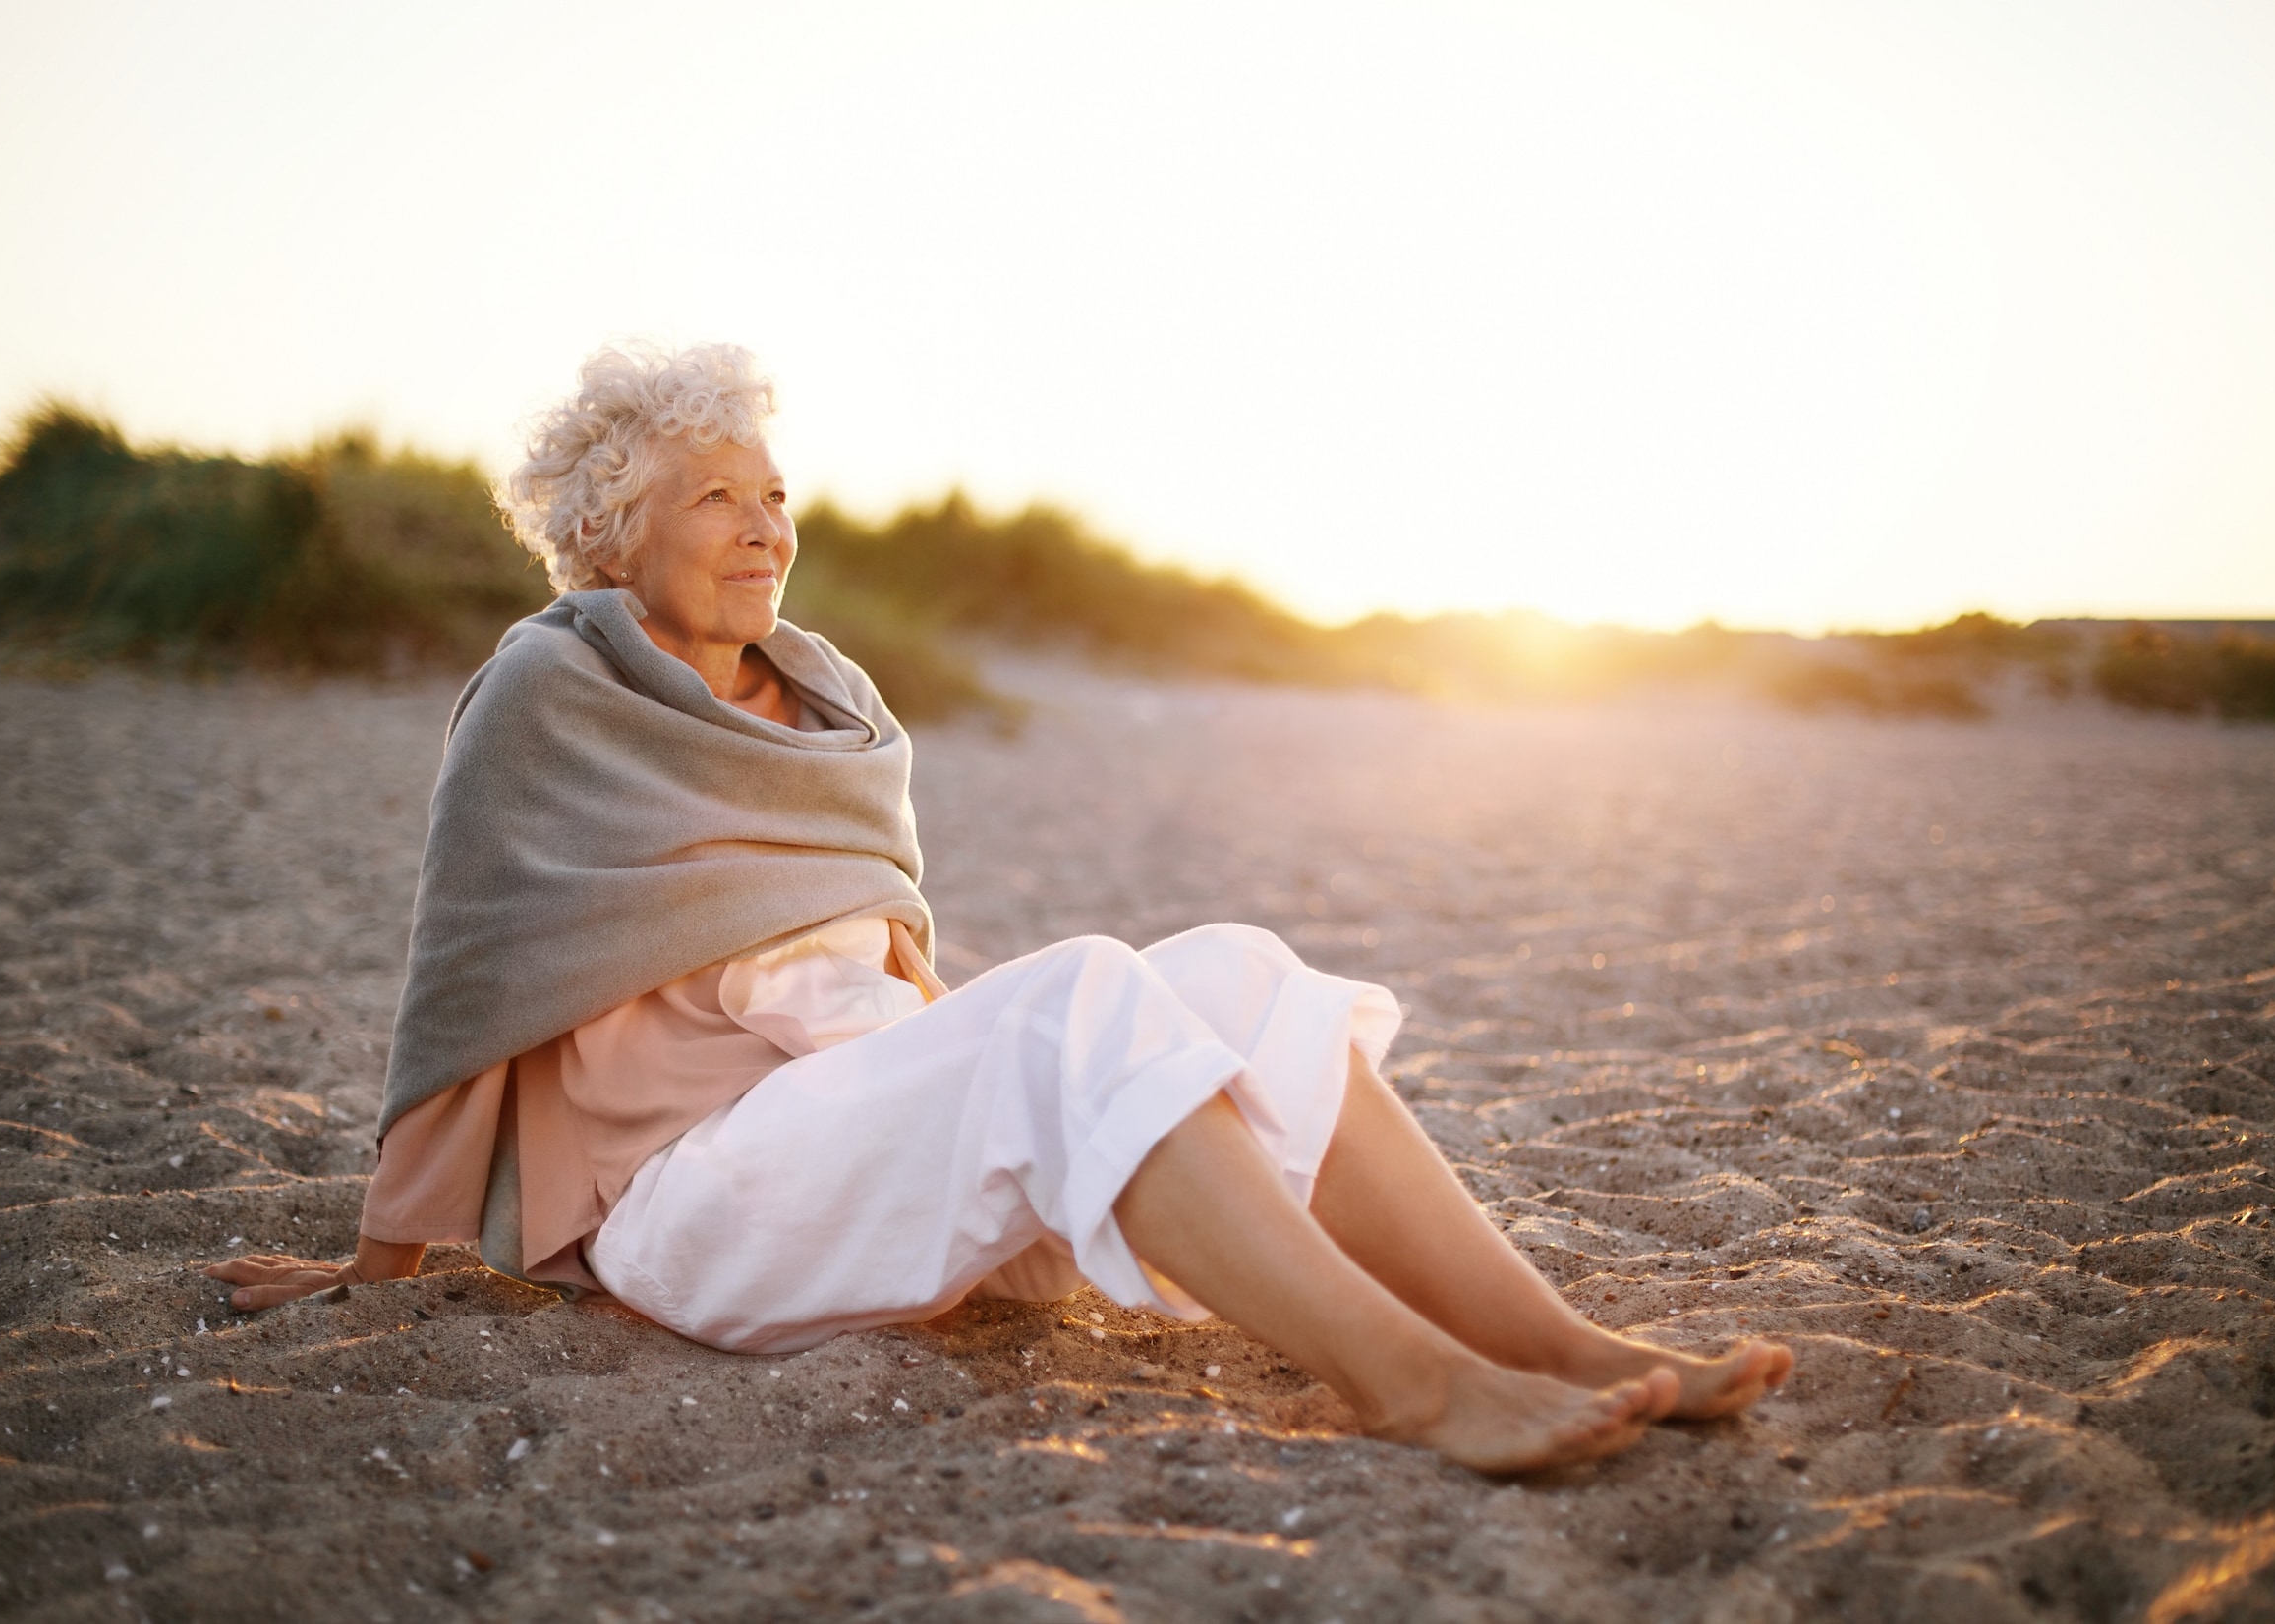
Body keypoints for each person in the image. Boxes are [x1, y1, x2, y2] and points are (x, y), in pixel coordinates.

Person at [206, 343, 1791, 1473]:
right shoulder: (552, 685)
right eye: (712, 499)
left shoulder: (824, 699)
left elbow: (878, 990)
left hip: (854, 1157)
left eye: (772, 492)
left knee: (1235, 967)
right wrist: (386, 1257)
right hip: (695, 1208)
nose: (764, 527)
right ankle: (1417, 1383)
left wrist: (985, 1100)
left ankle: (1565, 1344)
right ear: (609, 529)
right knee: (1080, 987)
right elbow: (465, 969)